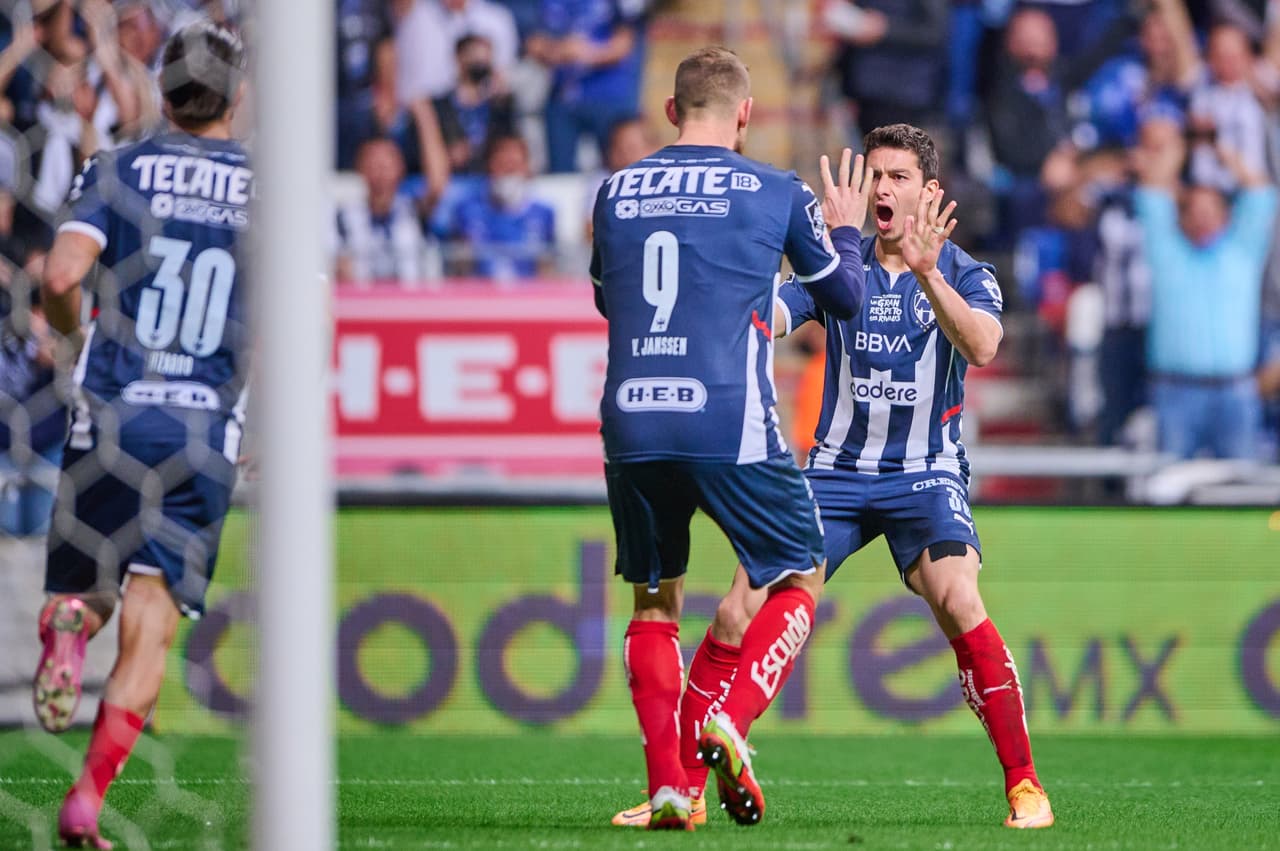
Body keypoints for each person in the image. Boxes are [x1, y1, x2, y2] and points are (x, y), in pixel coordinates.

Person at [612, 124, 1055, 831]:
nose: (881, 188)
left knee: (959, 598)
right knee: (736, 609)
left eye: (897, 176)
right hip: (834, 474)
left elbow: (984, 344)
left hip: (924, 473)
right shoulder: (833, 269)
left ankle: (1026, 785)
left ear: (929, 192)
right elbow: (770, 316)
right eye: (873, 174)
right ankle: (691, 784)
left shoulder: (965, 271)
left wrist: (927, 271)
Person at [590, 45, 869, 830]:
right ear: (745, 115)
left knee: (655, 600)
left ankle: (670, 790)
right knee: (801, 573)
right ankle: (732, 720)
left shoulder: (616, 190)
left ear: (671, 112)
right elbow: (843, 297)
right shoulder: (773, 189)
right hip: (727, 414)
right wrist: (844, 235)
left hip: (634, 412)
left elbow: (610, 301)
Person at [30, 22, 251, 849]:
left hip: (113, 410)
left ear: (162, 91)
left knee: (84, 587)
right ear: (235, 96)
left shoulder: (117, 166)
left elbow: (60, 276)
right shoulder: (268, 186)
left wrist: (65, 332)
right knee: (152, 620)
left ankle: (68, 624)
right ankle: (86, 798)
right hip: (203, 426)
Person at [1133, 116, 1277, 460]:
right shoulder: (1167, 250)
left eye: (1210, 209)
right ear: (1181, 216)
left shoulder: (1241, 250)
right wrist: (1184, 144)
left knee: (1241, 497)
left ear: (1227, 215)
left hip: (1236, 391)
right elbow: (1152, 190)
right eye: (1194, 210)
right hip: (1175, 390)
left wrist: (1219, 148)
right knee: (1169, 493)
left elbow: (1260, 191)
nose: (1202, 217)